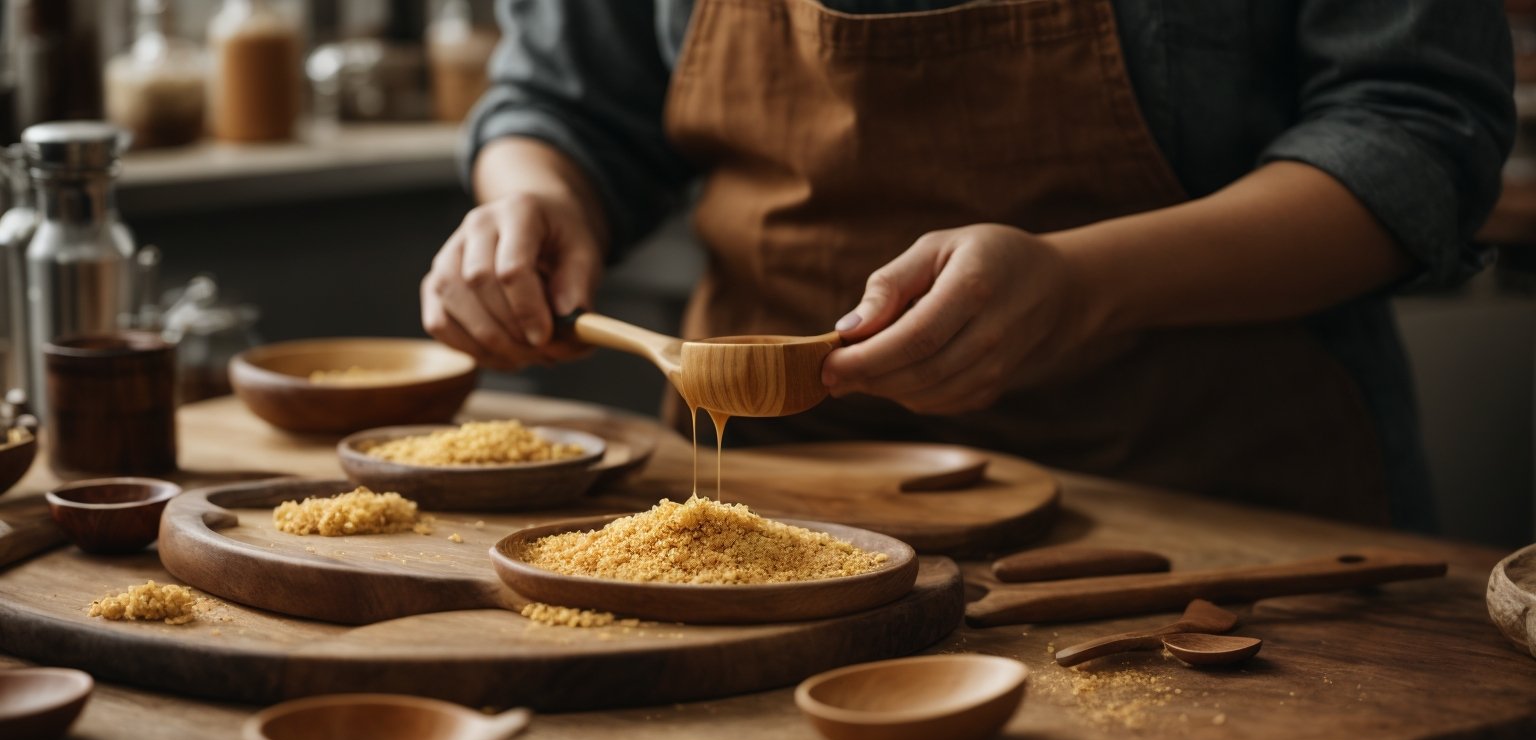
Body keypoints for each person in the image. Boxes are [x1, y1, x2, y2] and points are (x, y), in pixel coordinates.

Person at [421, 0, 1514, 531]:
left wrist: (1086, 283)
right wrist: (536, 200)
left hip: (1207, 512)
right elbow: (565, 97)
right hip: (771, 508)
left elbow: (1414, 130)